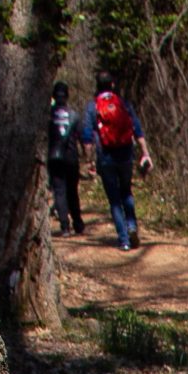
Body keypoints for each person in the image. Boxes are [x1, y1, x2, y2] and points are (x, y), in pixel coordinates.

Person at [81, 73, 152, 250]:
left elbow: (87, 137)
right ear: (113, 85)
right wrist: (145, 153)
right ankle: (132, 226)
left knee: (114, 200)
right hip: (126, 154)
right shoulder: (123, 104)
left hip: (105, 157)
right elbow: (137, 129)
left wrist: (89, 161)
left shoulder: (92, 107)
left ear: (97, 85)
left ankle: (124, 240)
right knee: (127, 192)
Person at [45, 81, 84, 237]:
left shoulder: (47, 116)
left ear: (53, 96)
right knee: (72, 191)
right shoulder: (74, 115)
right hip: (71, 158)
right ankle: (78, 224)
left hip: (54, 157)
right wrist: (88, 157)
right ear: (67, 96)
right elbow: (82, 136)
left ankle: (65, 227)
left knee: (59, 192)